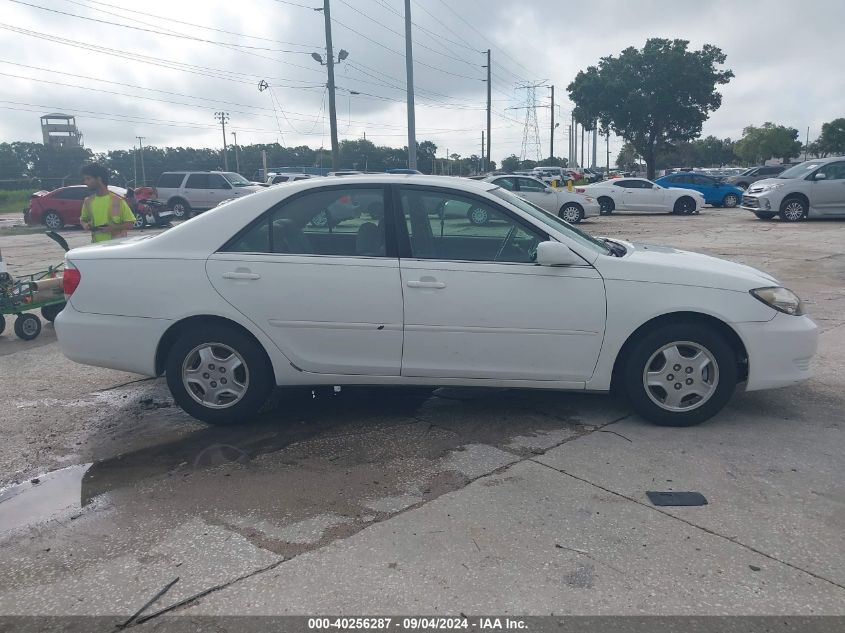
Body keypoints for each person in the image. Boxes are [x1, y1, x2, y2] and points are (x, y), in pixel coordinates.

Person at [79, 163, 135, 243]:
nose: (85, 182)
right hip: (96, 247)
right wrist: (85, 225)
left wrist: (114, 228)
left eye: (88, 179)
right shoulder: (88, 202)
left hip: (115, 249)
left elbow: (130, 224)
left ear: (99, 179)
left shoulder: (118, 201)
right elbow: (83, 219)